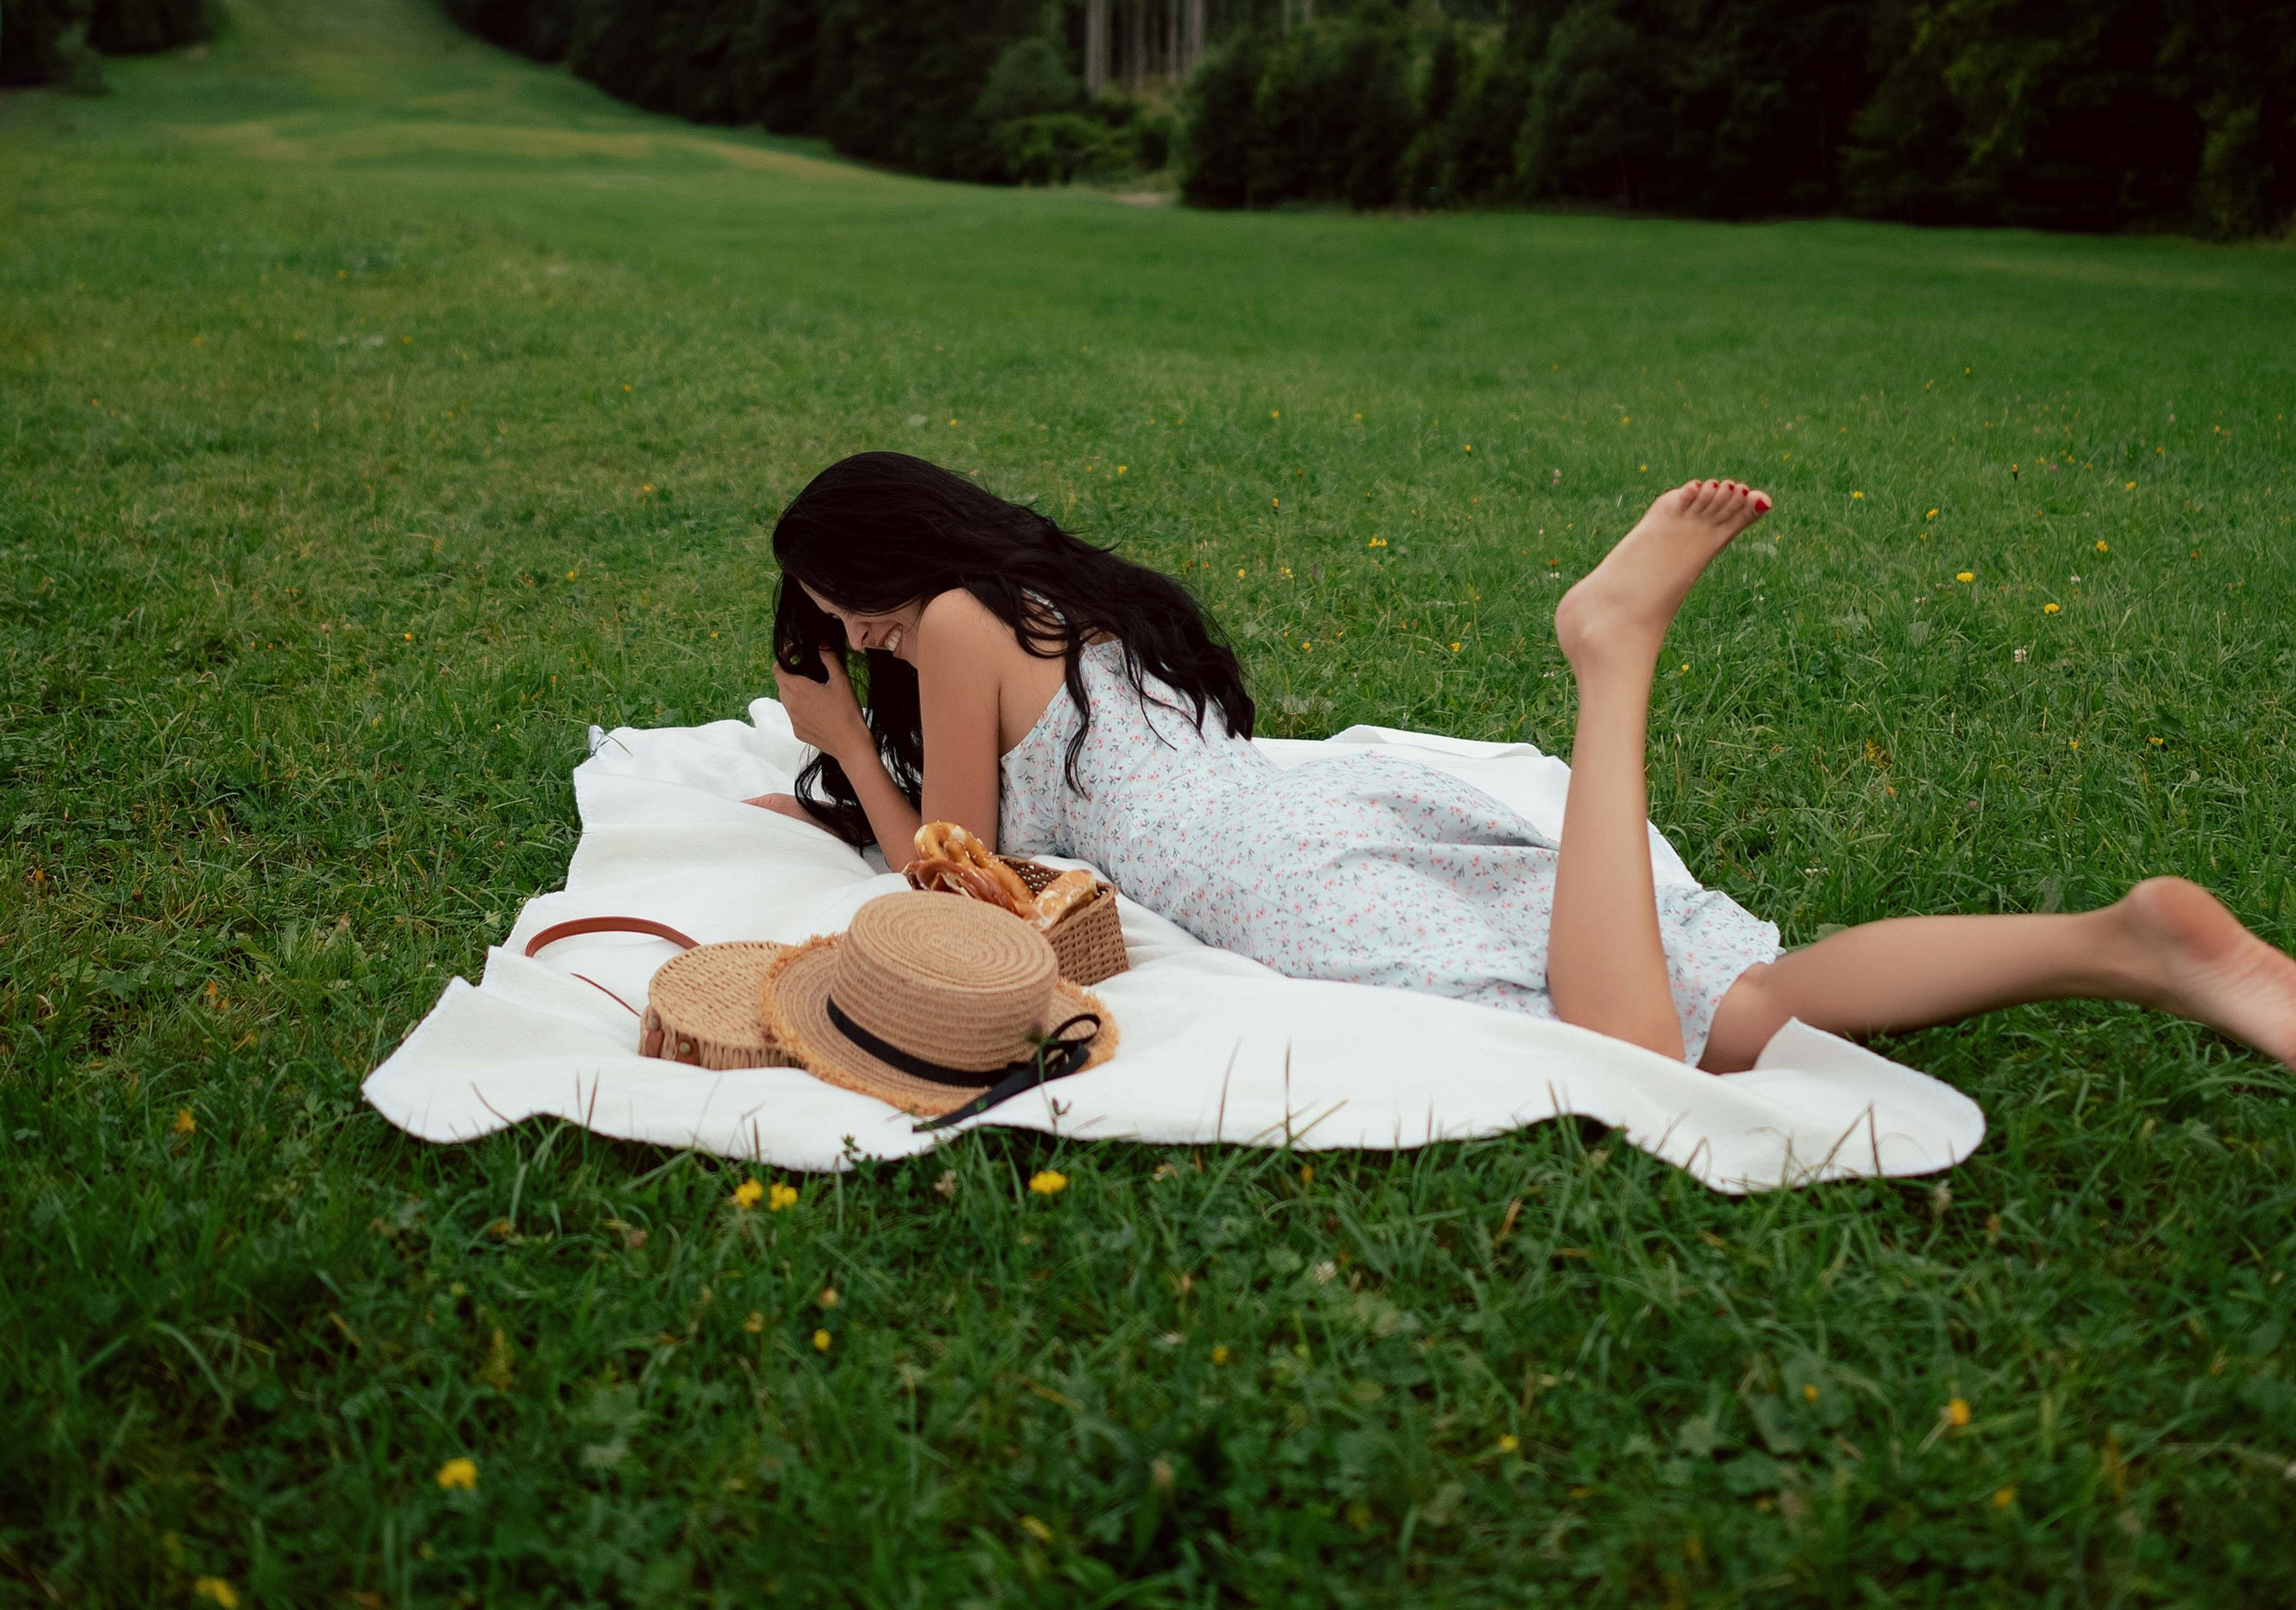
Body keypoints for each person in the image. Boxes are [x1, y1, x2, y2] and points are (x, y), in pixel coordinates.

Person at [752, 450, 2296, 1075]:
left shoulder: (953, 622)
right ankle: (2135, 946)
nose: (868, 644)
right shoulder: (1046, 597)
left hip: (1265, 867)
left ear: (893, 564)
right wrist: (845, 743)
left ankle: (1609, 656)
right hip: (1305, 808)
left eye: (849, 615)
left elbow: (957, 888)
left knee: (1617, 1045)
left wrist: (847, 756)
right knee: (1734, 1002)